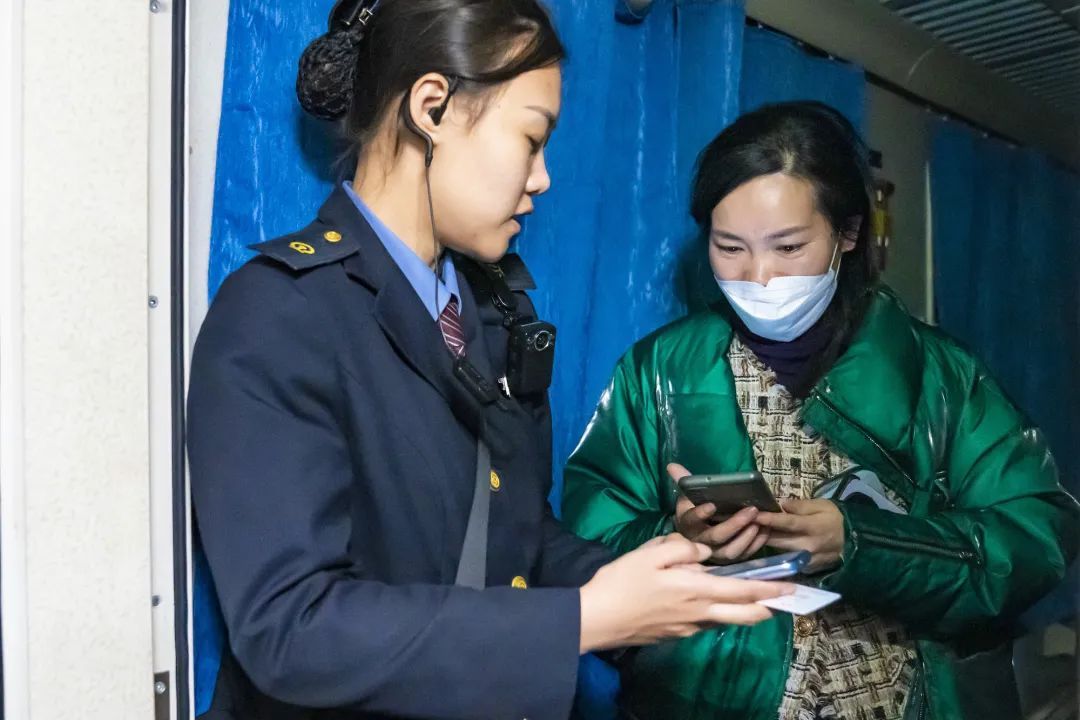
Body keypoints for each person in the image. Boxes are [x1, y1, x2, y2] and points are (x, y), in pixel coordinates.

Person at [186, 2, 791, 718]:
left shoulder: (496, 311)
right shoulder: (281, 312)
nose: (543, 179)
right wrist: (581, 621)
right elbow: (291, 631)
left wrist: (655, 577)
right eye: (531, 140)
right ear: (432, 109)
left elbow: (518, 535)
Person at [562, 101, 1079, 719]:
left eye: (788, 247)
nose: (759, 276)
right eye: (730, 247)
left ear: (848, 234)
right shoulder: (659, 372)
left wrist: (863, 543)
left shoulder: (940, 377)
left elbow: (1035, 537)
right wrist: (682, 540)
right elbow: (587, 541)